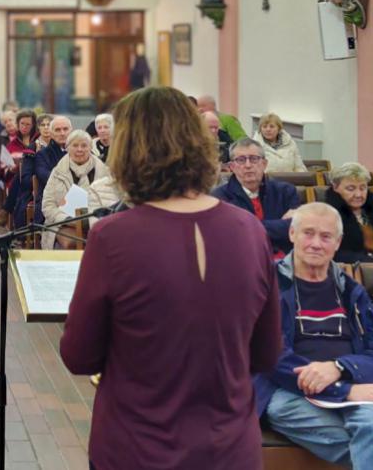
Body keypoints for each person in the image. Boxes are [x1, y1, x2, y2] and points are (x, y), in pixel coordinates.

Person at [61, 86, 281, 469]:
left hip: (139, 445)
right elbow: (265, 353)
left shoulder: (113, 237)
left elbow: (80, 356)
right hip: (228, 448)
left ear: (129, 150)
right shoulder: (250, 230)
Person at [255, 203, 373, 470]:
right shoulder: (267, 284)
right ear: (291, 235)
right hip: (290, 390)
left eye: (325, 237)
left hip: (351, 381)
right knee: (280, 410)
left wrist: (339, 369)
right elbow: (269, 354)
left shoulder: (352, 291)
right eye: (308, 233)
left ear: (338, 243)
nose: (315, 244)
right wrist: (344, 391)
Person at [214, 139, 302, 255]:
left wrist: (246, 227)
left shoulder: (286, 192)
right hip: (242, 261)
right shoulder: (219, 197)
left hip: (285, 263)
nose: (248, 165)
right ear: (232, 167)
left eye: (254, 159)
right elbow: (232, 235)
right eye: (241, 160)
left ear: (264, 164)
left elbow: (296, 228)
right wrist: (279, 225)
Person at [41, 130, 107, 249]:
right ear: (67, 148)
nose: (79, 149)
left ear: (91, 148)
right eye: (75, 145)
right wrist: (67, 219)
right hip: (63, 224)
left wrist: (89, 221)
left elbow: (110, 203)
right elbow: (48, 206)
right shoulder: (57, 173)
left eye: (84, 145)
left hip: (96, 224)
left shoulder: (104, 172)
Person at [5, 110, 41, 229]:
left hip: (31, 178)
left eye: (28, 124)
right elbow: (3, 167)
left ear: (33, 125)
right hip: (14, 178)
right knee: (19, 174)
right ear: (18, 124)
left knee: (23, 172)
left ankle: (6, 211)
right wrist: (10, 169)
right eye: (22, 124)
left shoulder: (38, 142)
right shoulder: (12, 143)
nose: (25, 127)